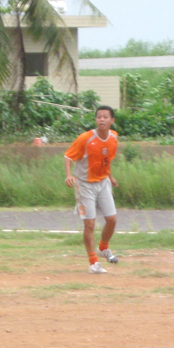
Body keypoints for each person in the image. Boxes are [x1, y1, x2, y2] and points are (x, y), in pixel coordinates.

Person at [64, 105, 120, 274]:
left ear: (112, 120)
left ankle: (103, 247)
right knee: (89, 224)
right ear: (95, 120)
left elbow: (106, 160)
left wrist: (110, 176)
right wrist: (69, 175)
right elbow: (68, 156)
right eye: (98, 116)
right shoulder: (85, 138)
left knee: (112, 219)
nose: (101, 119)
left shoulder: (114, 137)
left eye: (105, 116)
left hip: (103, 182)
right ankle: (93, 262)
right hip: (85, 185)